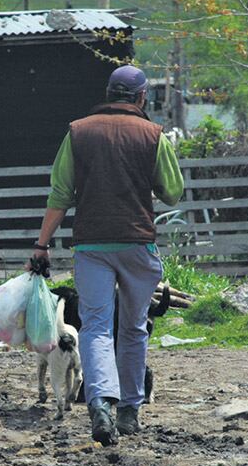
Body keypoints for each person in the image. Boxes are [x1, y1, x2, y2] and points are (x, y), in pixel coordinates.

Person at [30, 65, 184, 446]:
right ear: (142, 97)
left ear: (108, 93)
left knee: (96, 327)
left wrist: (41, 245)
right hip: (136, 244)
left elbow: (60, 194)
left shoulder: (78, 132)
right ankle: (130, 411)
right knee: (133, 328)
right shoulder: (154, 135)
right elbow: (173, 193)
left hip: (92, 246)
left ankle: (100, 404)